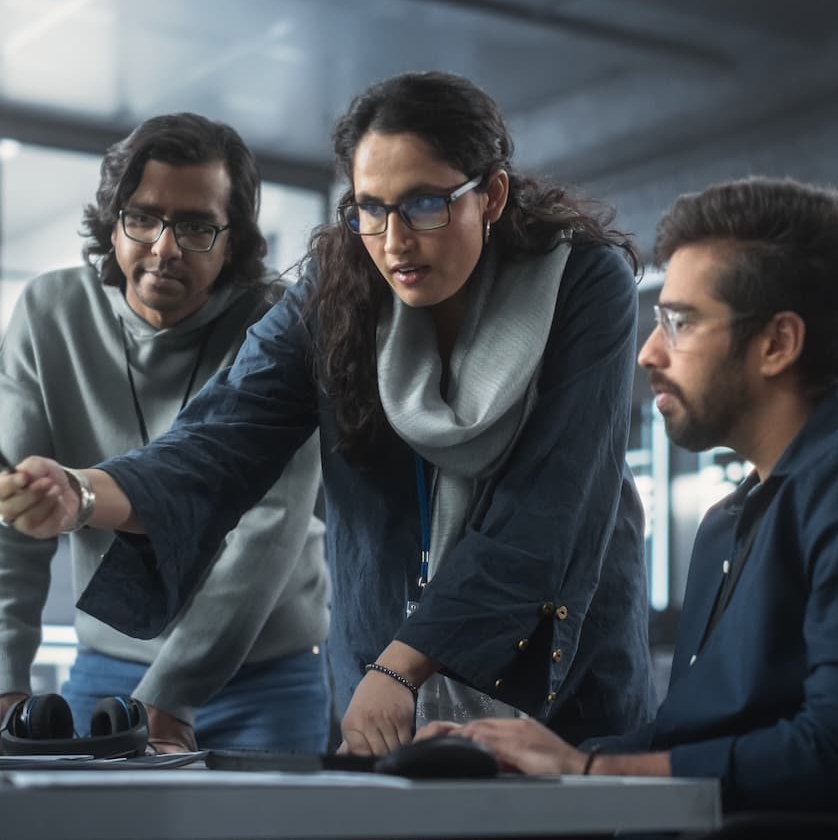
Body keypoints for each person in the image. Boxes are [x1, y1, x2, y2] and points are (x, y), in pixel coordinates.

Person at [0, 71, 657, 755]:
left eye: (424, 204)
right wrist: (81, 494)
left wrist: (403, 664)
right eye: (370, 208)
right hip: (379, 674)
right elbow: (219, 439)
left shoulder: (583, 282)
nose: (394, 240)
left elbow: (547, 510)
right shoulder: (340, 287)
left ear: (490, 195)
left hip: (546, 672)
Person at [416, 176, 838, 815]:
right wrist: (527, 754)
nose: (647, 352)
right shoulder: (730, 518)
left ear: (777, 344)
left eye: (680, 323)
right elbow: (691, 739)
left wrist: (587, 767)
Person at [0, 112, 331, 754]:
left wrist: (172, 694)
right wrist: (6, 680)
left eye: (196, 226)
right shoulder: (49, 313)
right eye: (144, 217)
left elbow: (270, 527)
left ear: (232, 240)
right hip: (107, 670)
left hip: (265, 674)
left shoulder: (280, 326)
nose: (164, 247)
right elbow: (12, 516)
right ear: (113, 219)